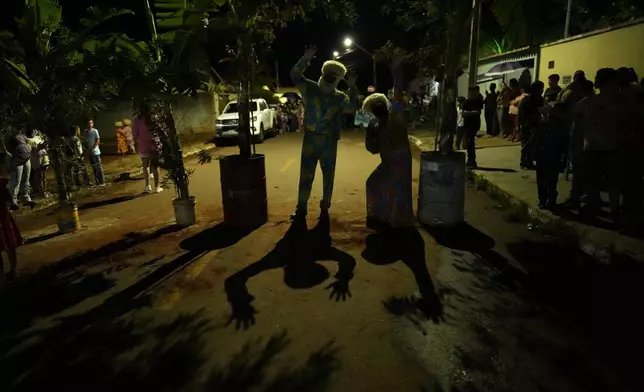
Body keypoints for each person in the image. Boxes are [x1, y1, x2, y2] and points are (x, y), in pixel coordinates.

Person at [290, 45, 357, 224]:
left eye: (334, 77)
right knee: (306, 175)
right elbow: (295, 75)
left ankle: (324, 207)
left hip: (327, 142)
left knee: (328, 176)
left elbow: (351, 109)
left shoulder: (340, 97)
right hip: (311, 140)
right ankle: (301, 209)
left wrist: (352, 89)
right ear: (323, 74)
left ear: (338, 79)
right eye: (328, 75)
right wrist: (305, 59)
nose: (329, 79)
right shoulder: (310, 88)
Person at [362, 88, 413, 229]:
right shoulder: (390, 120)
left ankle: (393, 219)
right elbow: (374, 148)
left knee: (389, 189)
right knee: (380, 185)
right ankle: (387, 216)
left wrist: (370, 133)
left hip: (398, 162)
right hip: (395, 161)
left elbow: (373, 148)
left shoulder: (389, 121)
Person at [581, 68, 624, 218]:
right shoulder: (619, 102)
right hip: (606, 147)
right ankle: (612, 210)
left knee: (598, 181)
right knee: (609, 182)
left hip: (601, 147)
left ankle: (599, 208)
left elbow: (569, 113)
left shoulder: (591, 101)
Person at [563, 80, 595, 209]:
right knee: (589, 172)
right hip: (592, 142)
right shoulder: (597, 102)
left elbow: (572, 119)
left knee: (578, 171)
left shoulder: (581, 104)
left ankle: (575, 198)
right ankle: (589, 197)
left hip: (581, 141)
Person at [534, 102, 570, 209]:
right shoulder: (543, 126)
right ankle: (544, 199)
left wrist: (563, 160)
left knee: (551, 180)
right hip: (544, 156)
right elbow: (537, 141)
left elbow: (565, 146)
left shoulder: (561, 128)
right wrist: (535, 155)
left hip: (554, 156)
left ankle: (550, 199)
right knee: (543, 180)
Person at [0, 167, 22, 285]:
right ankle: (13, 271)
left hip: (4, 218)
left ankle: (3, 276)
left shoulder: (2, 186)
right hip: (4, 218)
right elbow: (9, 203)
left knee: (9, 243)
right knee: (10, 243)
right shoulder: (2, 185)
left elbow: (9, 202)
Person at [133, 110, 163, 194]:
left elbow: (135, 135)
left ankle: (147, 186)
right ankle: (157, 187)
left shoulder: (137, 120)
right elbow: (160, 131)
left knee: (145, 165)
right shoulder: (155, 118)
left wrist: (139, 141)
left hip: (143, 146)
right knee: (155, 166)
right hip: (155, 145)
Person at [4, 130, 34, 210]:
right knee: (16, 181)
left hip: (26, 157)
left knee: (26, 179)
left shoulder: (22, 134)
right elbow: (6, 149)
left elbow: (29, 142)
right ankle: (13, 201)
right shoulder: (8, 136)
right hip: (16, 158)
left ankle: (26, 198)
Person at [518, 81, 545, 169]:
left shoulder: (539, 99)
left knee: (533, 144)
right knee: (527, 144)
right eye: (540, 89)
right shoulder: (527, 100)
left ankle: (529, 161)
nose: (542, 91)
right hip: (527, 125)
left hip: (535, 123)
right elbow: (523, 113)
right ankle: (525, 162)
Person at [462, 86, 484, 168]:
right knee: (468, 143)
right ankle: (470, 160)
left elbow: (478, 112)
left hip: (474, 124)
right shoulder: (467, 101)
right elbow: (463, 112)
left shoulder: (478, 101)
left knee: (471, 142)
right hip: (467, 124)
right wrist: (469, 113)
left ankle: (472, 161)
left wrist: (468, 113)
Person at [25, 128, 49, 197]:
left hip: (44, 159)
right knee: (39, 177)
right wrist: (37, 148)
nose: (35, 131)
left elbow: (45, 146)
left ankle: (44, 190)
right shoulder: (28, 140)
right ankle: (41, 192)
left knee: (43, 177)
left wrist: (44, 146)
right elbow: (29, 151)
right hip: (36, 161)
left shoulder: (38, 137)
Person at [85, 119, 105, 186]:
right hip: (89, 152)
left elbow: (98, 140)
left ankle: (102, 182)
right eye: (88, 123)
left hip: (95, 152)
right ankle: (97, 182)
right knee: (94, 168)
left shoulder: (95, 131)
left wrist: (93, 148)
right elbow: (85, 141)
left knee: (99, 167)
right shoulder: (85, 132)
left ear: (93, 124)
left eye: (91, 123)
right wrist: (87, 149)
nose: (90, 124)